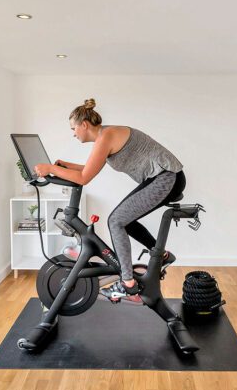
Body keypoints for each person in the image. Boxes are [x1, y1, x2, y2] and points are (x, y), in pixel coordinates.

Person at [33, 98, 185, 303]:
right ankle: (162, 256)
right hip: (162, 177)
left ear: (84, 125)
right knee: (124, 220)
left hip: (167, 177)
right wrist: (63, 166)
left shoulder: (107, 136)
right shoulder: (105, 137)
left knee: (116, 221)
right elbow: (88, 169)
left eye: (73, 128)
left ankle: (128, 284)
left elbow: (84, 177)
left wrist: (51, 169)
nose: (73, 134)